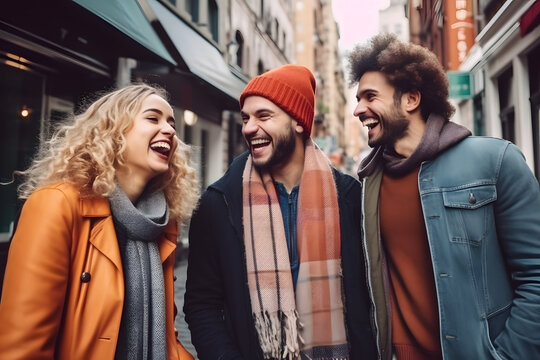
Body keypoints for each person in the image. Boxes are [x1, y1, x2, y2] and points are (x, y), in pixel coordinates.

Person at [348, 33, 540, 360]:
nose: (358, 110)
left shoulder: (496, 161)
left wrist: (509, 355)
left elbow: (535, 276)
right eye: (357, 99)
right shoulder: (369, 184)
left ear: (410, 99)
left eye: (369, 97)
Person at [184, 64, 377, 359]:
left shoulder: (351, 199)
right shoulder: (218, 203)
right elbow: (202, 304)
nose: (249, 127)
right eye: (246, 118)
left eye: (264, 116)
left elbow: (371, 299)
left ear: (298, 122)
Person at [0, 83, 199, 359]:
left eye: (171, 123)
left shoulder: (161, 223)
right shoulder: (57, 204)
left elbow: (166, 339)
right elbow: (24, 344)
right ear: (113, 131)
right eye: (153, 118)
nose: (170, 130)